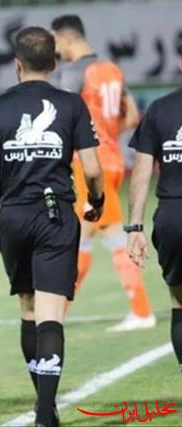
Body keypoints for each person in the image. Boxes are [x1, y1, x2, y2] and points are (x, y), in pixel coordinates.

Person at [0, 27, 104, 427]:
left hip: (12, 216)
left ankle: (43, 401)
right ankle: (46, 410)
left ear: (17, 64)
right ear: (54, 62)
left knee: (28, 308)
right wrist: (97, 200)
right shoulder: (70, 104)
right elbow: (92, 168)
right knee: (51, 313)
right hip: (54, 215)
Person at [51, 15, 155, 332]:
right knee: (81, 238)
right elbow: (132, 116)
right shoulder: (111, 69)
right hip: (112, 160)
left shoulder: (72, 73)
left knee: (109, 236)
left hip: (89, 165)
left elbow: (62, 119)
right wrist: (106, 134)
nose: (55, 49)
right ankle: (57, 314)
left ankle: (141, 311)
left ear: (67, 38)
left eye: (56, 41)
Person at [127, 52, 182, 376]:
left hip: (173, 217)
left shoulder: (159, 110)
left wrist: (134, 227)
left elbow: (142, 171)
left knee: (179, 302)